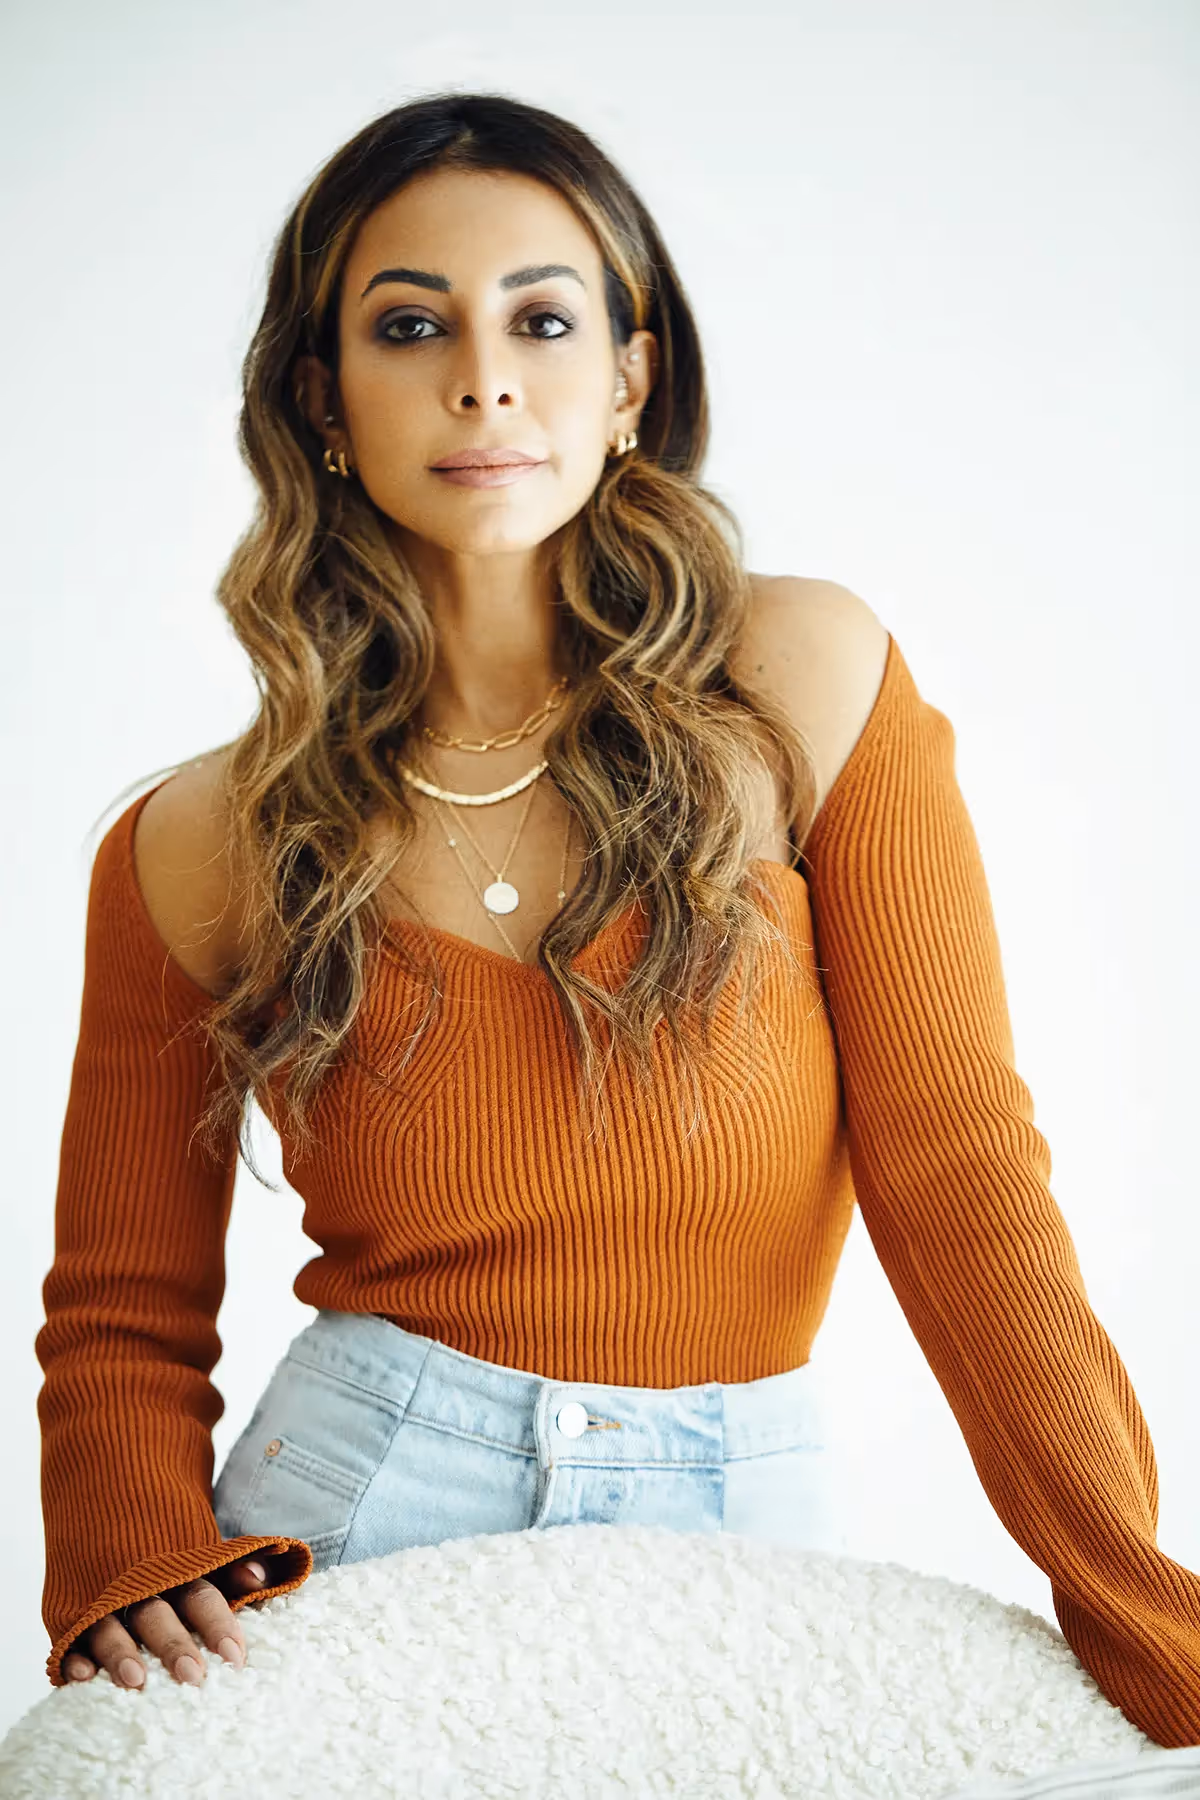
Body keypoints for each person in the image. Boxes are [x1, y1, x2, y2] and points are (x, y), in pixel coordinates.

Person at [34, 91, 1200, 1767]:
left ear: (632, 379)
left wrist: (1144, 1608)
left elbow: (958, 1169)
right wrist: (126, 1551)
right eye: (411, 326)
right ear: (321, 398)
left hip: (741, 1524)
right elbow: (121, 1308)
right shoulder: (203, 834)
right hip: (354, 1522)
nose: (484, 379)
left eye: (543, 320)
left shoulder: (804, 683)